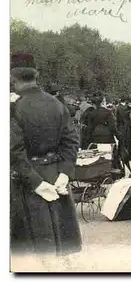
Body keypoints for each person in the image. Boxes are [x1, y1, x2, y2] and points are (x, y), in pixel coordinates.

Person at [10, 53, 81, 256]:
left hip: (27, 181)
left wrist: (36, 183)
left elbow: (14, 151)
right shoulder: (57, 104)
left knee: (29, 254)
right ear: (36, 75)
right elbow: (71, 141)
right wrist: (65, 174)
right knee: (58, 249)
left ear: (12, 78)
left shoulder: (14, 108)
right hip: (56, 176)